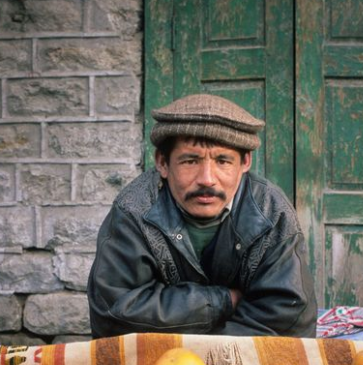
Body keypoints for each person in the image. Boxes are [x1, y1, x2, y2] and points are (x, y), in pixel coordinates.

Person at [88, 93, 317, 338]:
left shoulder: (271, 212)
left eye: (223, 161)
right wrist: (223, 301)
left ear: (245, 162)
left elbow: (288, 314)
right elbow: (114, 310)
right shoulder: (134, 210)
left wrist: (210, 356)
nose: (207, 179)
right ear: (163, 163)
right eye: (190, 161)